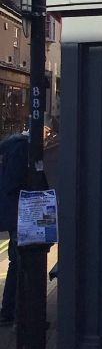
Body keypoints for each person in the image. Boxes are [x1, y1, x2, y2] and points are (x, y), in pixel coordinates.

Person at [0, 132, 28, 326]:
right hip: (20, 214)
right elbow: (14, 181)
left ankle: (9, 311)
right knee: (21, 262)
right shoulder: (22, 148)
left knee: (16, 262)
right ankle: (18, 314)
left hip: (12, 214)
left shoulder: (12, 147)